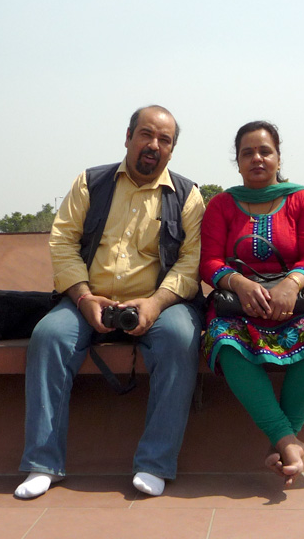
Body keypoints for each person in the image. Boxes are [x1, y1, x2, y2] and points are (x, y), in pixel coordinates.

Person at [14, 105, 205, 499]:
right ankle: (43, 463)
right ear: (128, 137)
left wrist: (155, 304)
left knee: (181, 339)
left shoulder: (187, 195)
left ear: (172, 150)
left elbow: (191, 262)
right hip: (89, 298)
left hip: (159, 304)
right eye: (146, 135)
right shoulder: (91, 182)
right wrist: (83, 298)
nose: (153, 145)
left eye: (164, 140)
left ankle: (155, 463)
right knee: (48, 337)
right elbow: (63, 242)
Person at [199, 121, 304, 487]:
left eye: (265, 151)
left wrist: (291, 284)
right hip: (238, 303)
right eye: (248, 152)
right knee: (225, 343)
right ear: (238, 161)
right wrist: (240, 284)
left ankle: (284, 442)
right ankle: (290, 442)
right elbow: (209, 261)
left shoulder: (301, 199)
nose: (257, 158)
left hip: (298, 300)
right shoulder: (222, 204)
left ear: (278, 157)